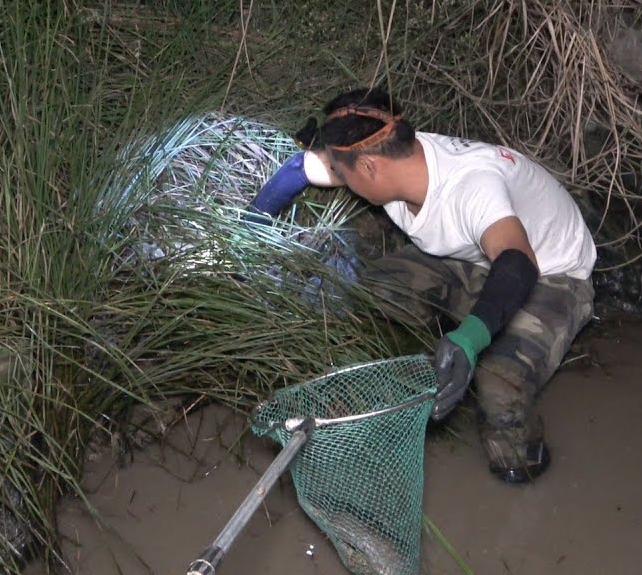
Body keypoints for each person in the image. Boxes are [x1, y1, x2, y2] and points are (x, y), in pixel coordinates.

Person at [248, 87, 596, 484]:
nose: (337, 180)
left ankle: (521, 463)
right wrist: (248, 228)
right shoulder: (393, 154)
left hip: (549, 272)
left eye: (343, 175)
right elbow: (299, 170)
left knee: (498, 387)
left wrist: (470, 338)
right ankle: (401, 386)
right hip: (470, 258)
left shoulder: (472, 187)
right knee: (371, 295)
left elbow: (518, 263)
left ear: (369, 168)